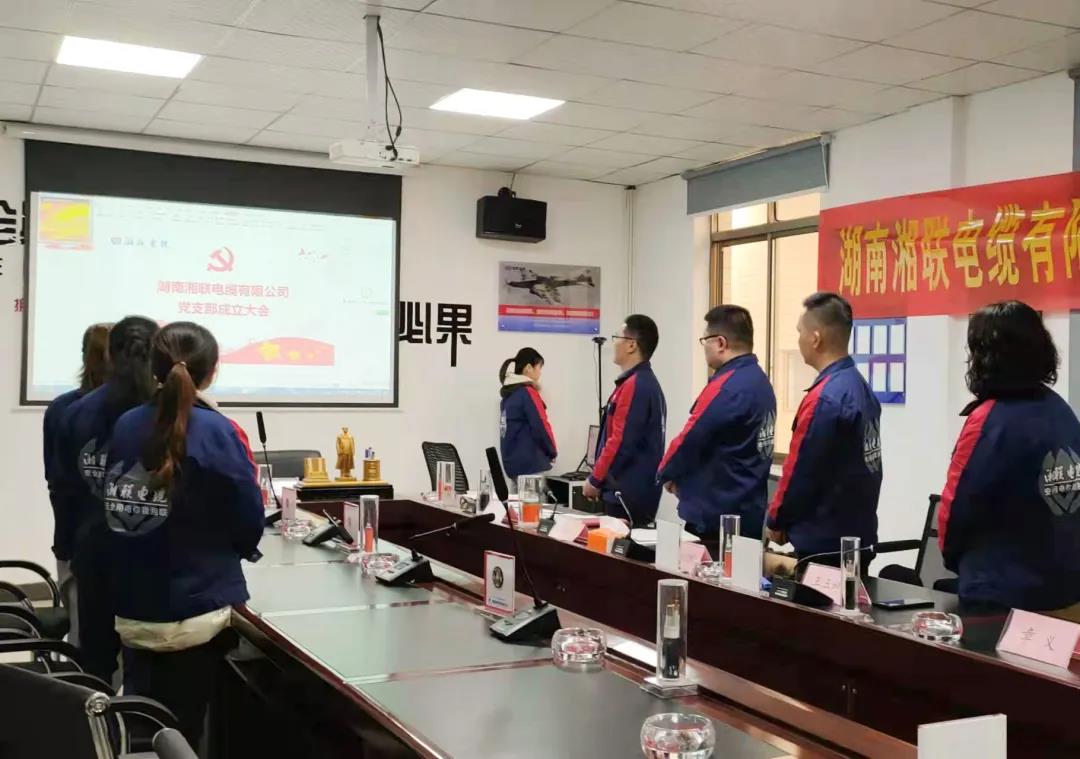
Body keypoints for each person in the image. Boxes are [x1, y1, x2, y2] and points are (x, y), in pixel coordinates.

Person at [104, 322, 263, 746]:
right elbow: (249, 518)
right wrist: (237, 550)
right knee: (196, 727)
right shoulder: (218, 430)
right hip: (198, 613)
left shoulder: (125, 425)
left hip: (134, 607)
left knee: (145, 720)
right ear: (212, 372)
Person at [939, 301, 1080, 613]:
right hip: (1065, 592)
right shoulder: (1063, 412)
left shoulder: (988, 421)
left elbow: (955, 508)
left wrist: (956, 561)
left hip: (1000, 594)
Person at [53, 316, 159, 683]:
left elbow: (64, 486)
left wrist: (66, 546)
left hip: (93, 549)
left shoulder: (76, 412)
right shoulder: (168, 413)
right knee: (145, 666)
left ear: (109, 355)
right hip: (153, 557)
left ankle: (95, 720)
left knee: (95, 663)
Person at [766, 293, 881, 562]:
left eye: (800, 332)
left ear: (815, 338)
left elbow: (800, 469)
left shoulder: (825, 398)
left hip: (823, 545)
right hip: (855, 538)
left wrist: (776, 519)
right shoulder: (860, 387)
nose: (798, 339)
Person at [658, 306, 776, 542]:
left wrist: (665, 474)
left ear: (721, 343)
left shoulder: (725, 387)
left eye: (705, 341)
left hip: (715, 518)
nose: (704, 348)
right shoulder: (761, 383)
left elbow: (690, 438)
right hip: (748, 515)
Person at [43, 322, 110, 623]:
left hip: (74, 536)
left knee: (83, 633)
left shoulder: (62, 408)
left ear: (84, 357)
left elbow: (56, 481)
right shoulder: (142, 412)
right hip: (125, 545)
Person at [584, 315, 666, 525]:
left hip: (626, 493)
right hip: (626, 490)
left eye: (616, 337)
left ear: (631, 345)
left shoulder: (635, 385)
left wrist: (595, 479)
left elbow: (619, 441)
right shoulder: (637, 382)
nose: (613, 343)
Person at [499, 347, 557, 482]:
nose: (540, 373)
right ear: (528, 368)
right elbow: (541, 425)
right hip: (531, 468)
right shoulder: (528, 393)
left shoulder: (508, 396)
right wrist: (552, 451)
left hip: (513, 468)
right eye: (539, 368)